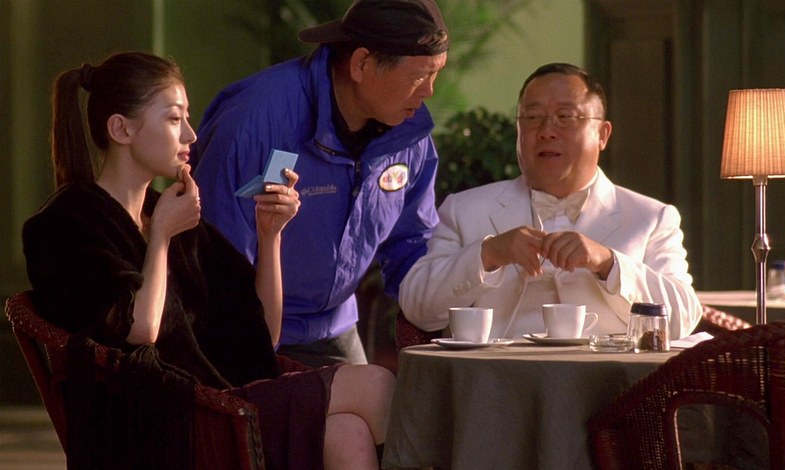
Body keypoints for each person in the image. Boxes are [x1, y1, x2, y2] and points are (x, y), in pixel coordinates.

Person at [22, 51, 394, 470]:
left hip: (221, 406)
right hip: (165, 423)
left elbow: (264, 336)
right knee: (378, 385)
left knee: (348, 433)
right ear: (120, 129)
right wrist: (161, 238)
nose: (191, 135)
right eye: (173, 118)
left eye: (187, 117)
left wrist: (270, 235)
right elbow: (139, 330)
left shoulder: (170, 213)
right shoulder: (67, 222)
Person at [191, 0, 449, 367]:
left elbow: (412, 247)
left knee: (377, 399)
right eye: (419, 76)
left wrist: (460, 287)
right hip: (247, 329)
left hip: (335, 327)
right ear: (361, 63)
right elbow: (214, 260)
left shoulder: (408, 134)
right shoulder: (254, 122)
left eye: (436, 74)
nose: (429, 92)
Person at [399, 63, 703, 341]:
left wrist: (608, 263)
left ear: (602, 134)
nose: (546, 132)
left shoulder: (651, 218)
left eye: (565, 118)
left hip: (610, 380)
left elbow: (682, 319)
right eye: (532, 118)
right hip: (497, 377)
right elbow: (418, 309)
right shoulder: (464, 210)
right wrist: (488, 255)